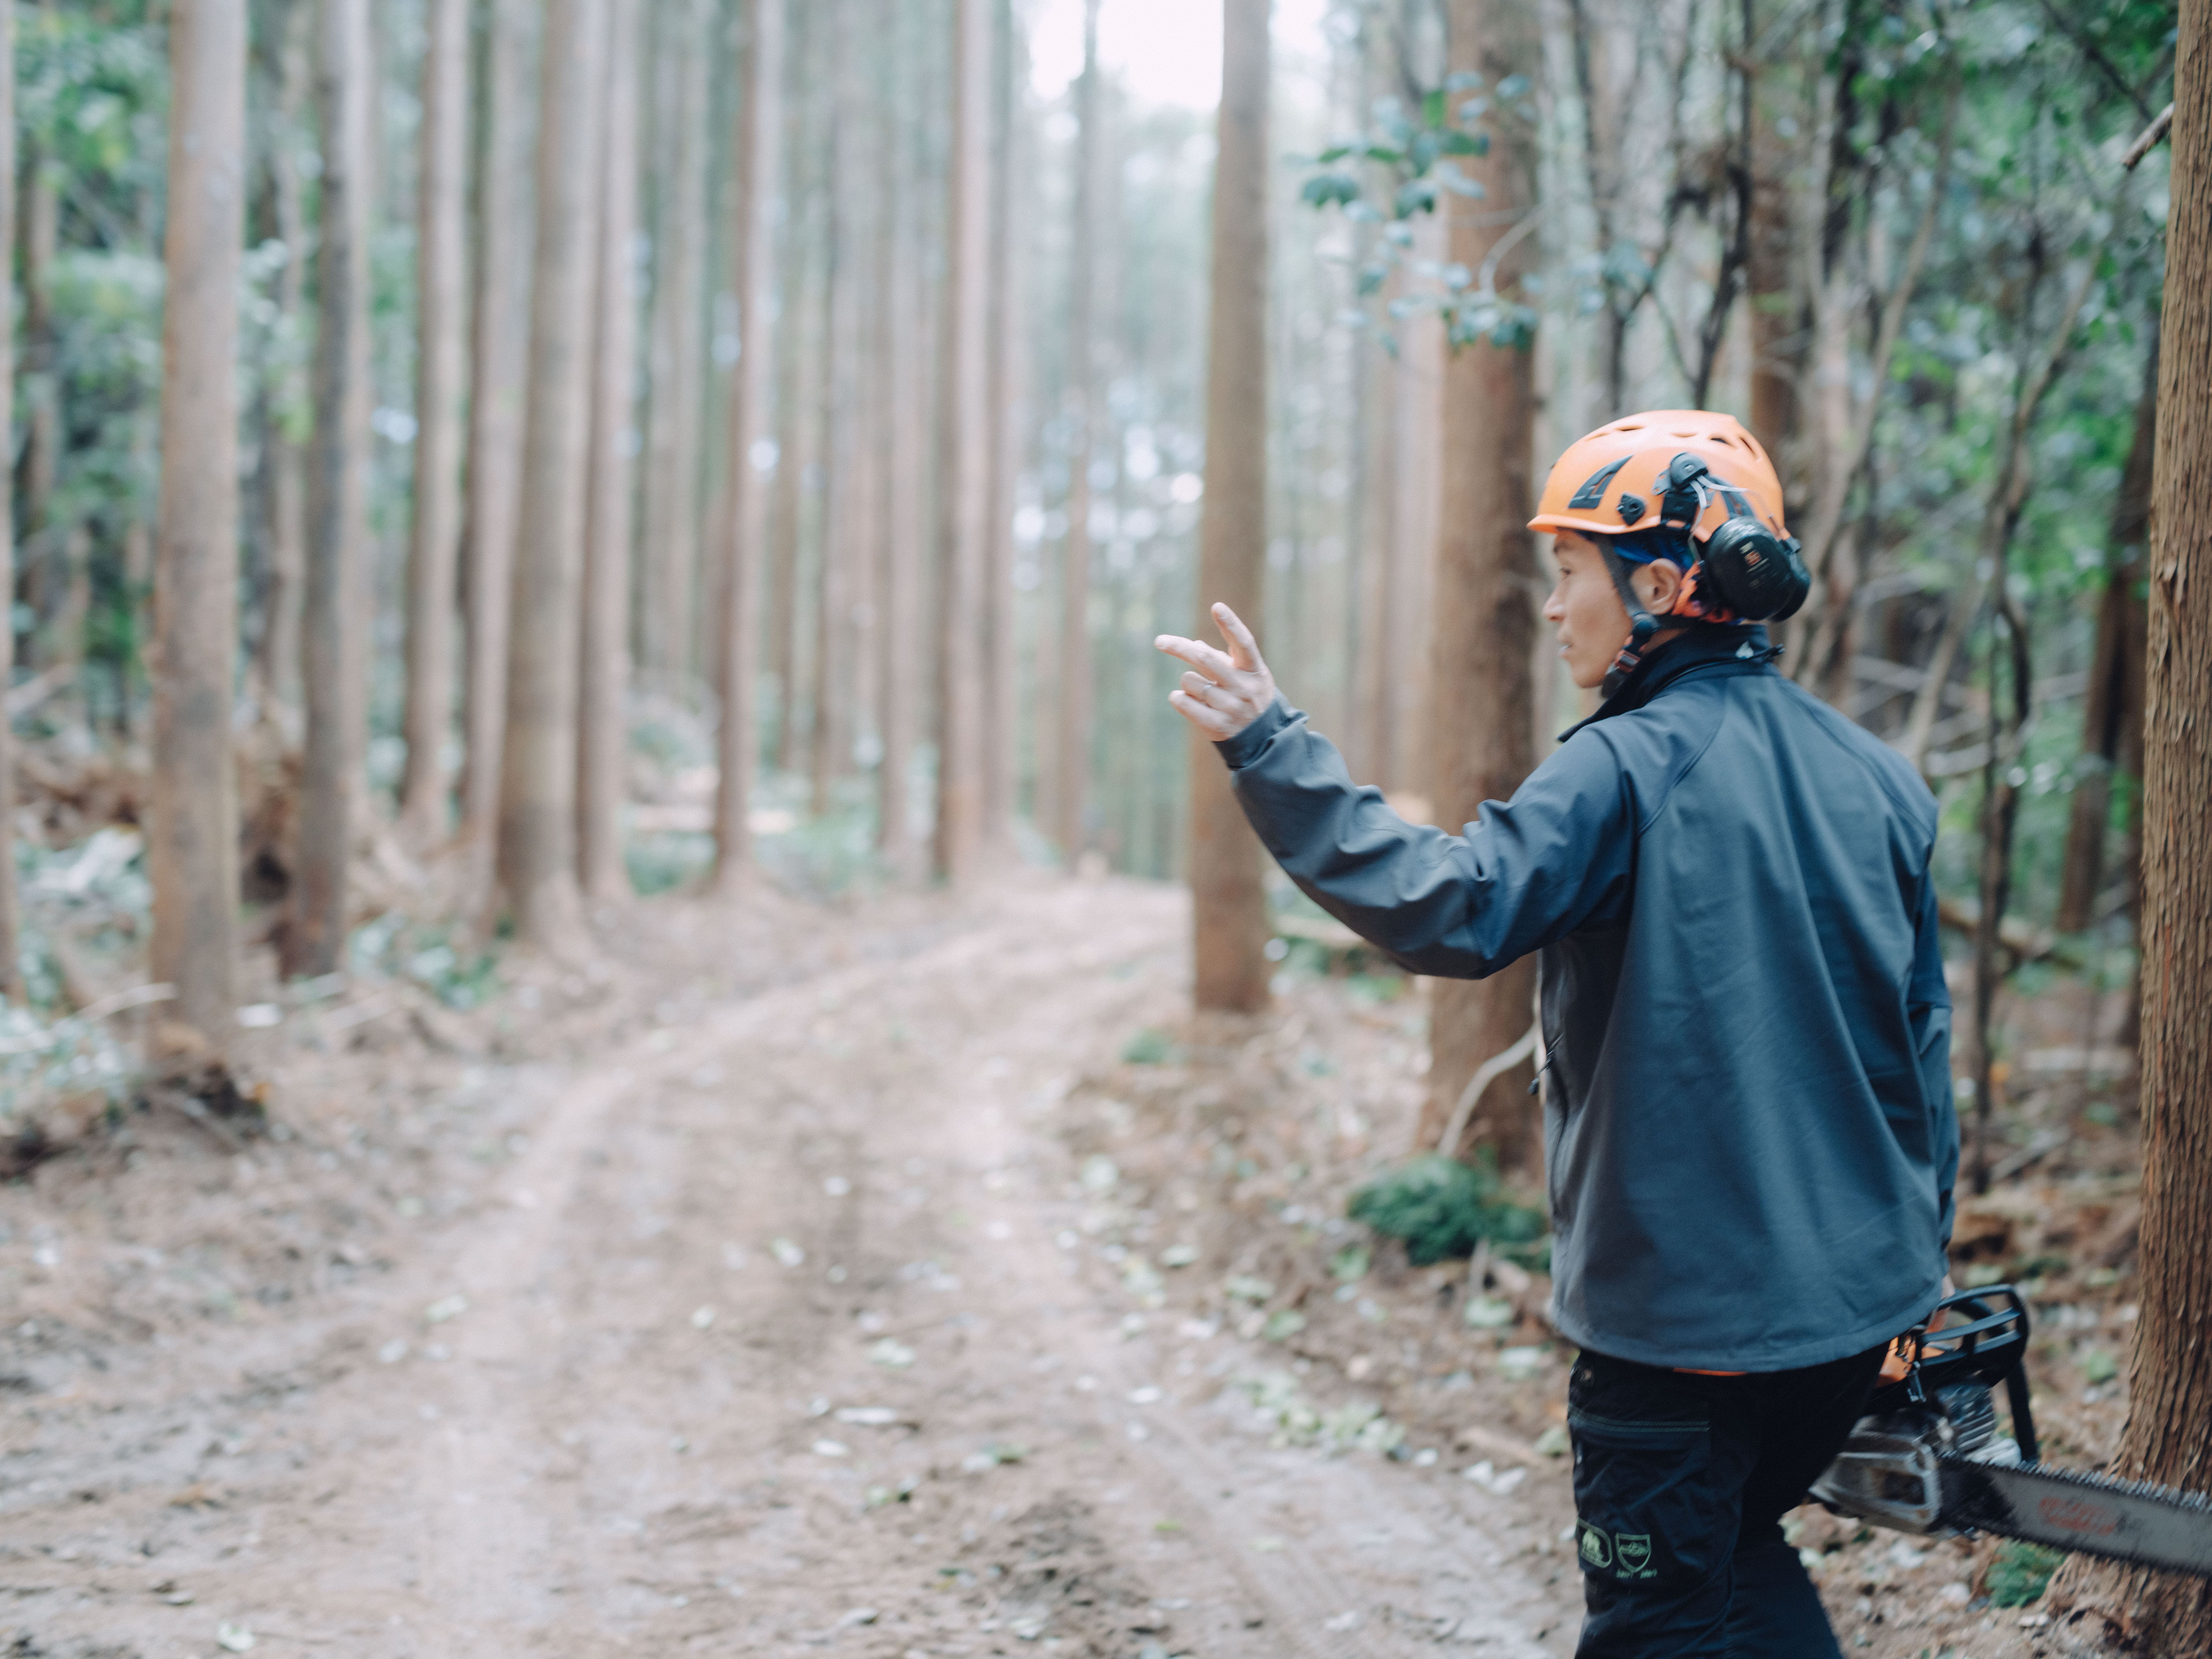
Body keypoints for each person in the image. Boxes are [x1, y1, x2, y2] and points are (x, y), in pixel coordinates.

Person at [1154, 410, 1957, 1658]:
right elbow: (1925, 1060)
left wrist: (1272, 747)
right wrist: (1914, 1284)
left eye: (1569, 573)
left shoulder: (1624, 770)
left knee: (1658, 1624)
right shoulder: (1881, 778)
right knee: (1735, 1563)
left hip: (1683, 1341)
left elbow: (1453, 908)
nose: (1551, 608)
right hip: (1852, 1329)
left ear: (1660, 584)